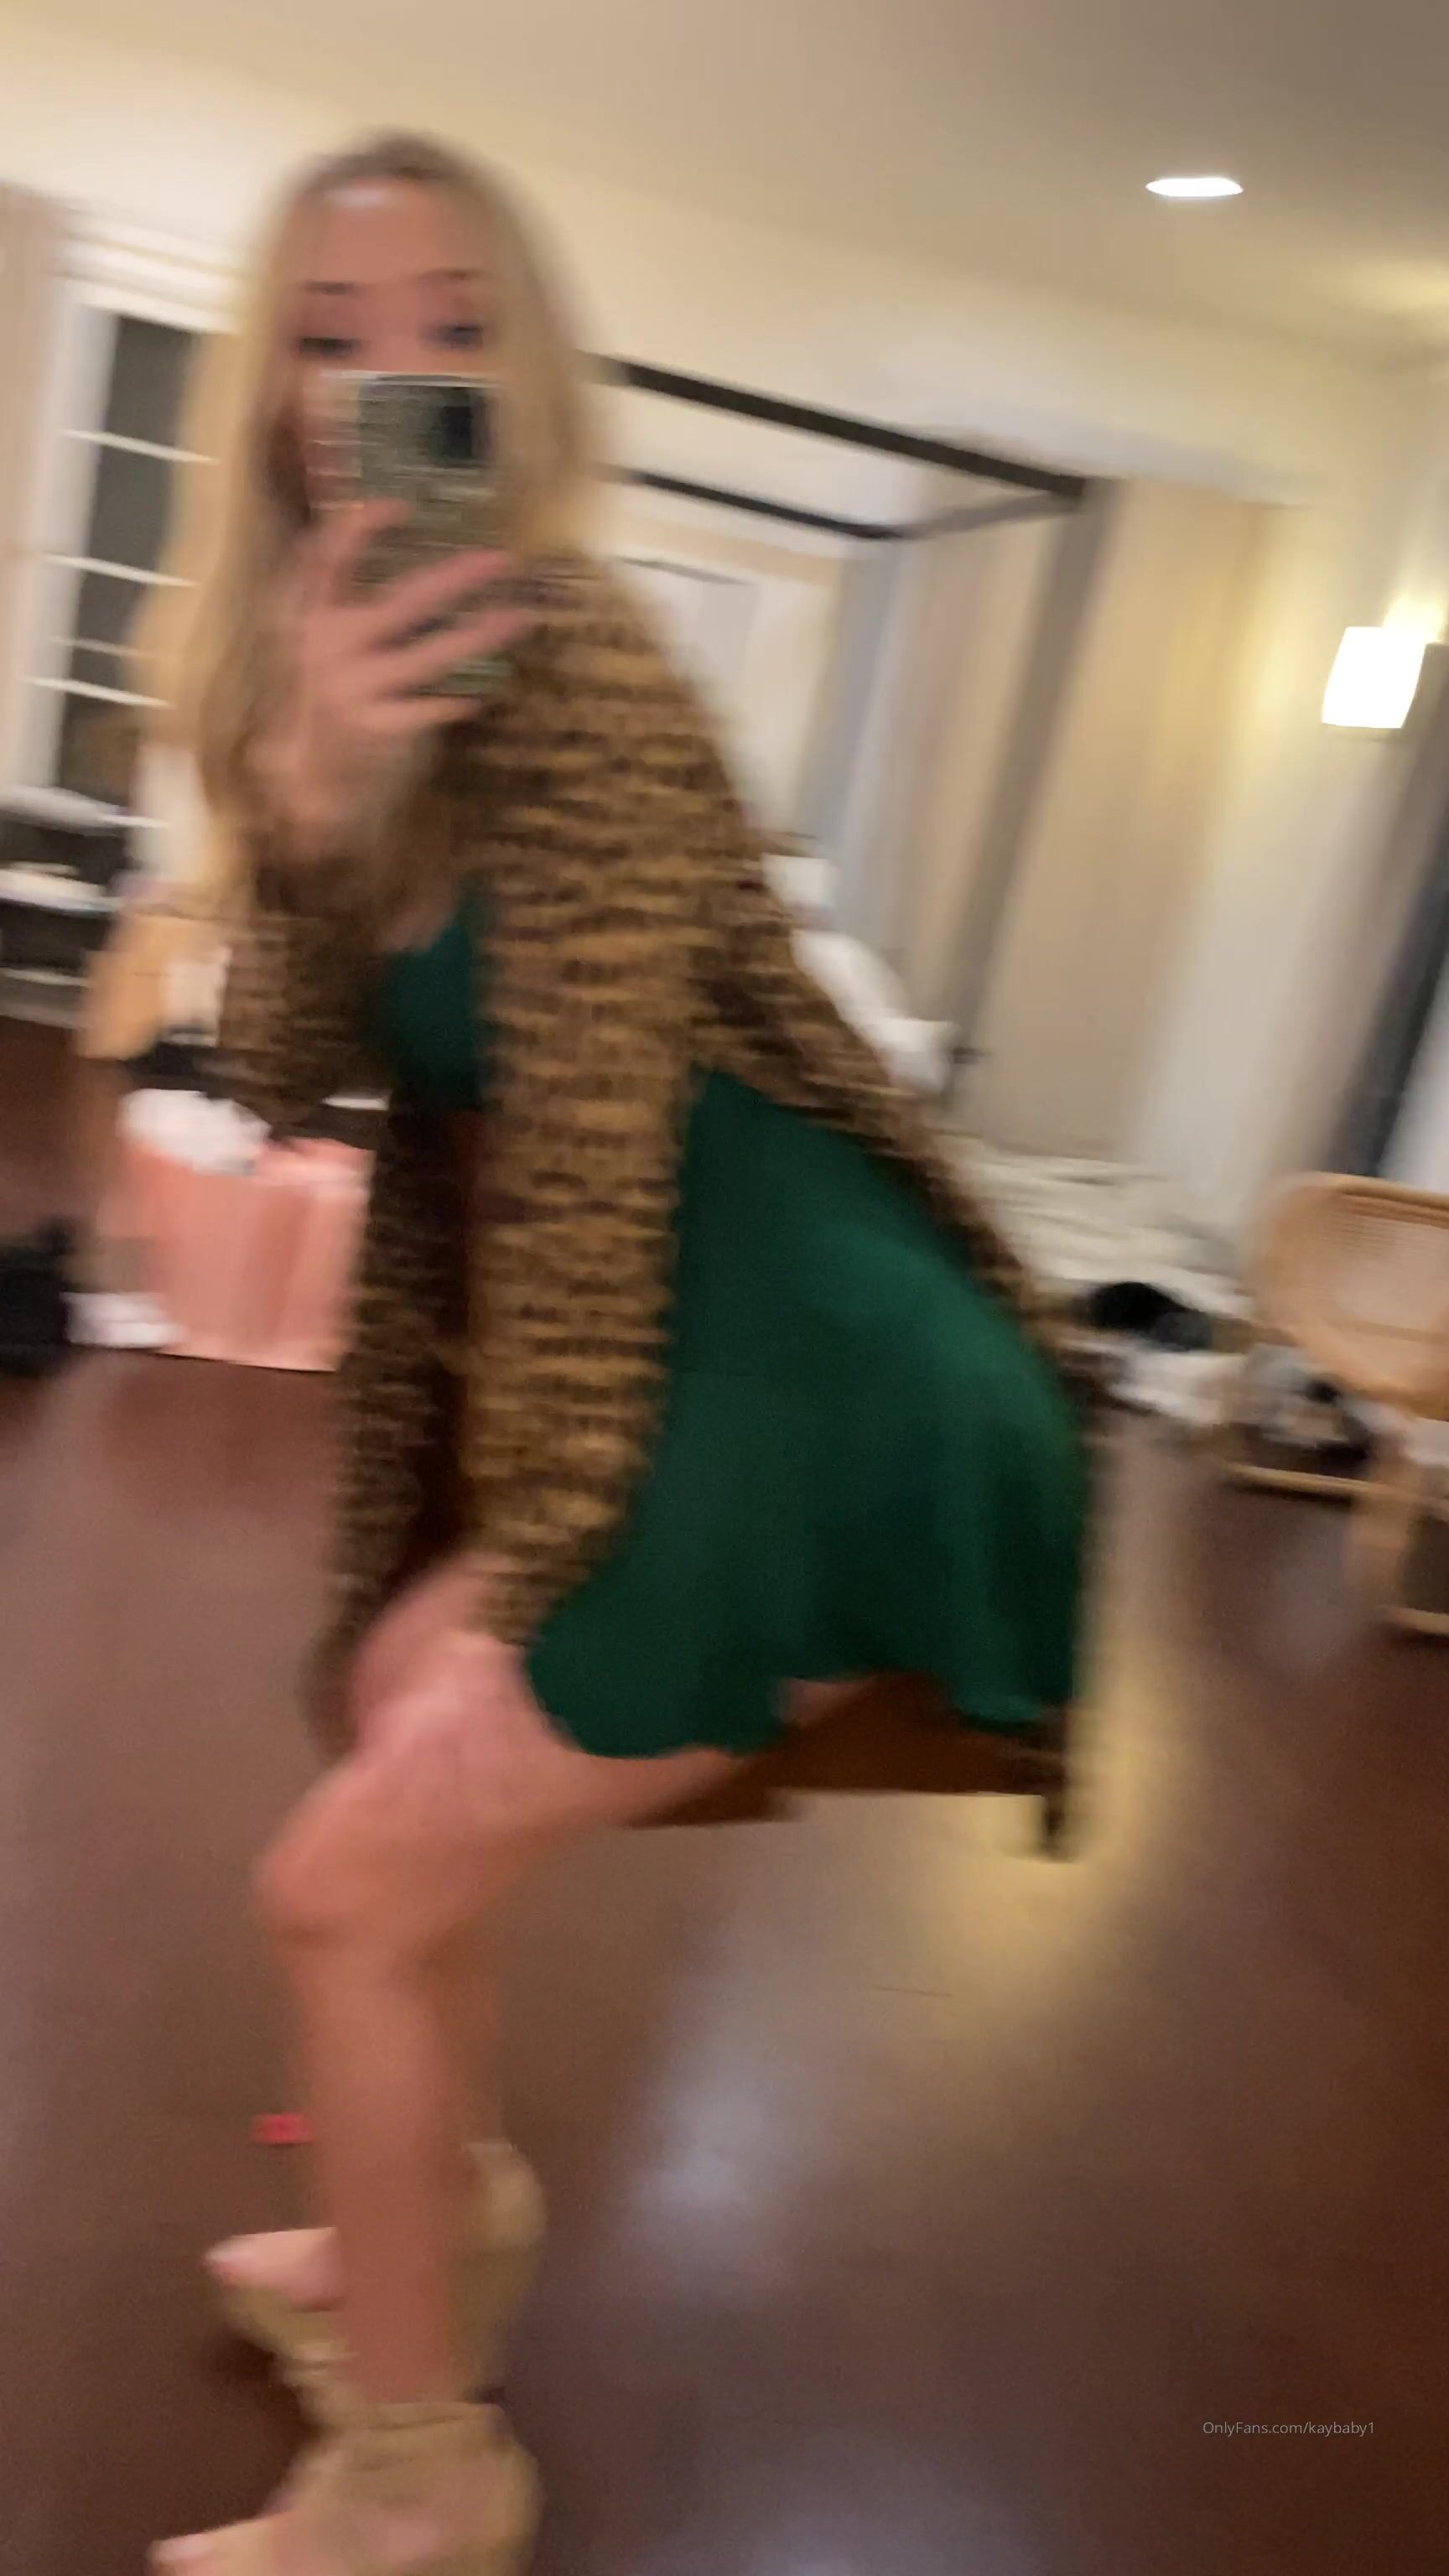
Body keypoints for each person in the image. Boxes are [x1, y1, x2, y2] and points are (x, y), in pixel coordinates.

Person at [144, 131, 1088, 2576]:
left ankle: (420, 2479)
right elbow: (279, 1084)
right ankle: (420, 2229)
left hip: (823, 1363)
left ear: (527, 377)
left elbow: (580, 1147)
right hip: (689, 1327)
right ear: (274, 401)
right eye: (337, 338)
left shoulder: (584, 665)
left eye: (456, 328)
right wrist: (314, 800)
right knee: (390, 1726)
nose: (398, 378)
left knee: (342, 1888)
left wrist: (547, 1550)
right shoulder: (310, 692)